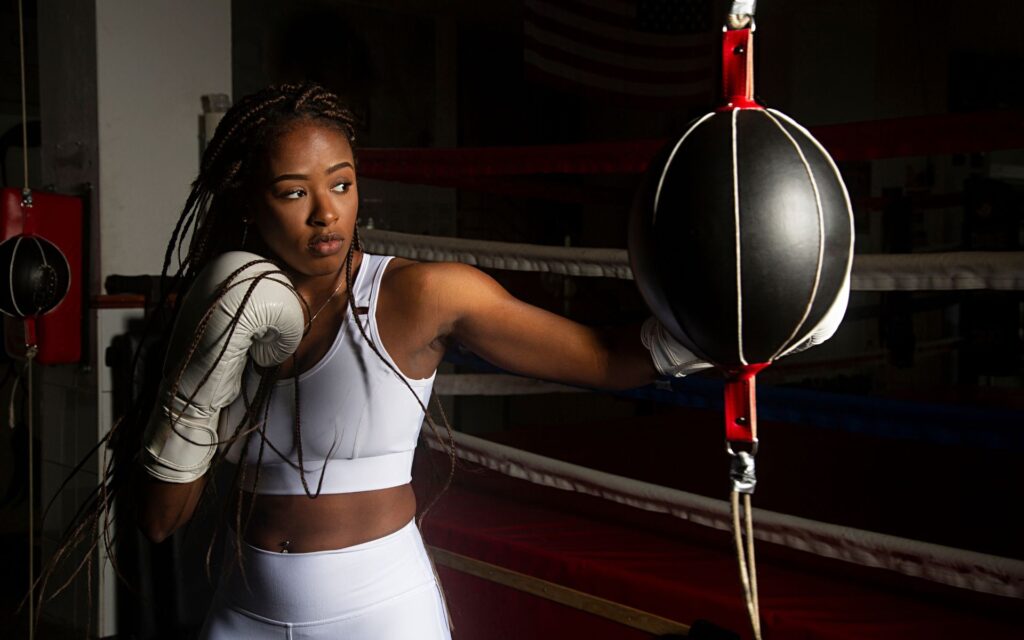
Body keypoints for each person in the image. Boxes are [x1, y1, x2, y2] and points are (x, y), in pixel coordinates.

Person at [131, 82, 845, 639]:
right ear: (251, 206)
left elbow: (601, 356)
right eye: (294, 193)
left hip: (377, 614)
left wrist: (732, 330)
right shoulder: (225, 309)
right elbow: (162, 521)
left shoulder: (419, 295)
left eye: (341, 184)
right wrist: (195, 380)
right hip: (244, 610)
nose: (325, 213)